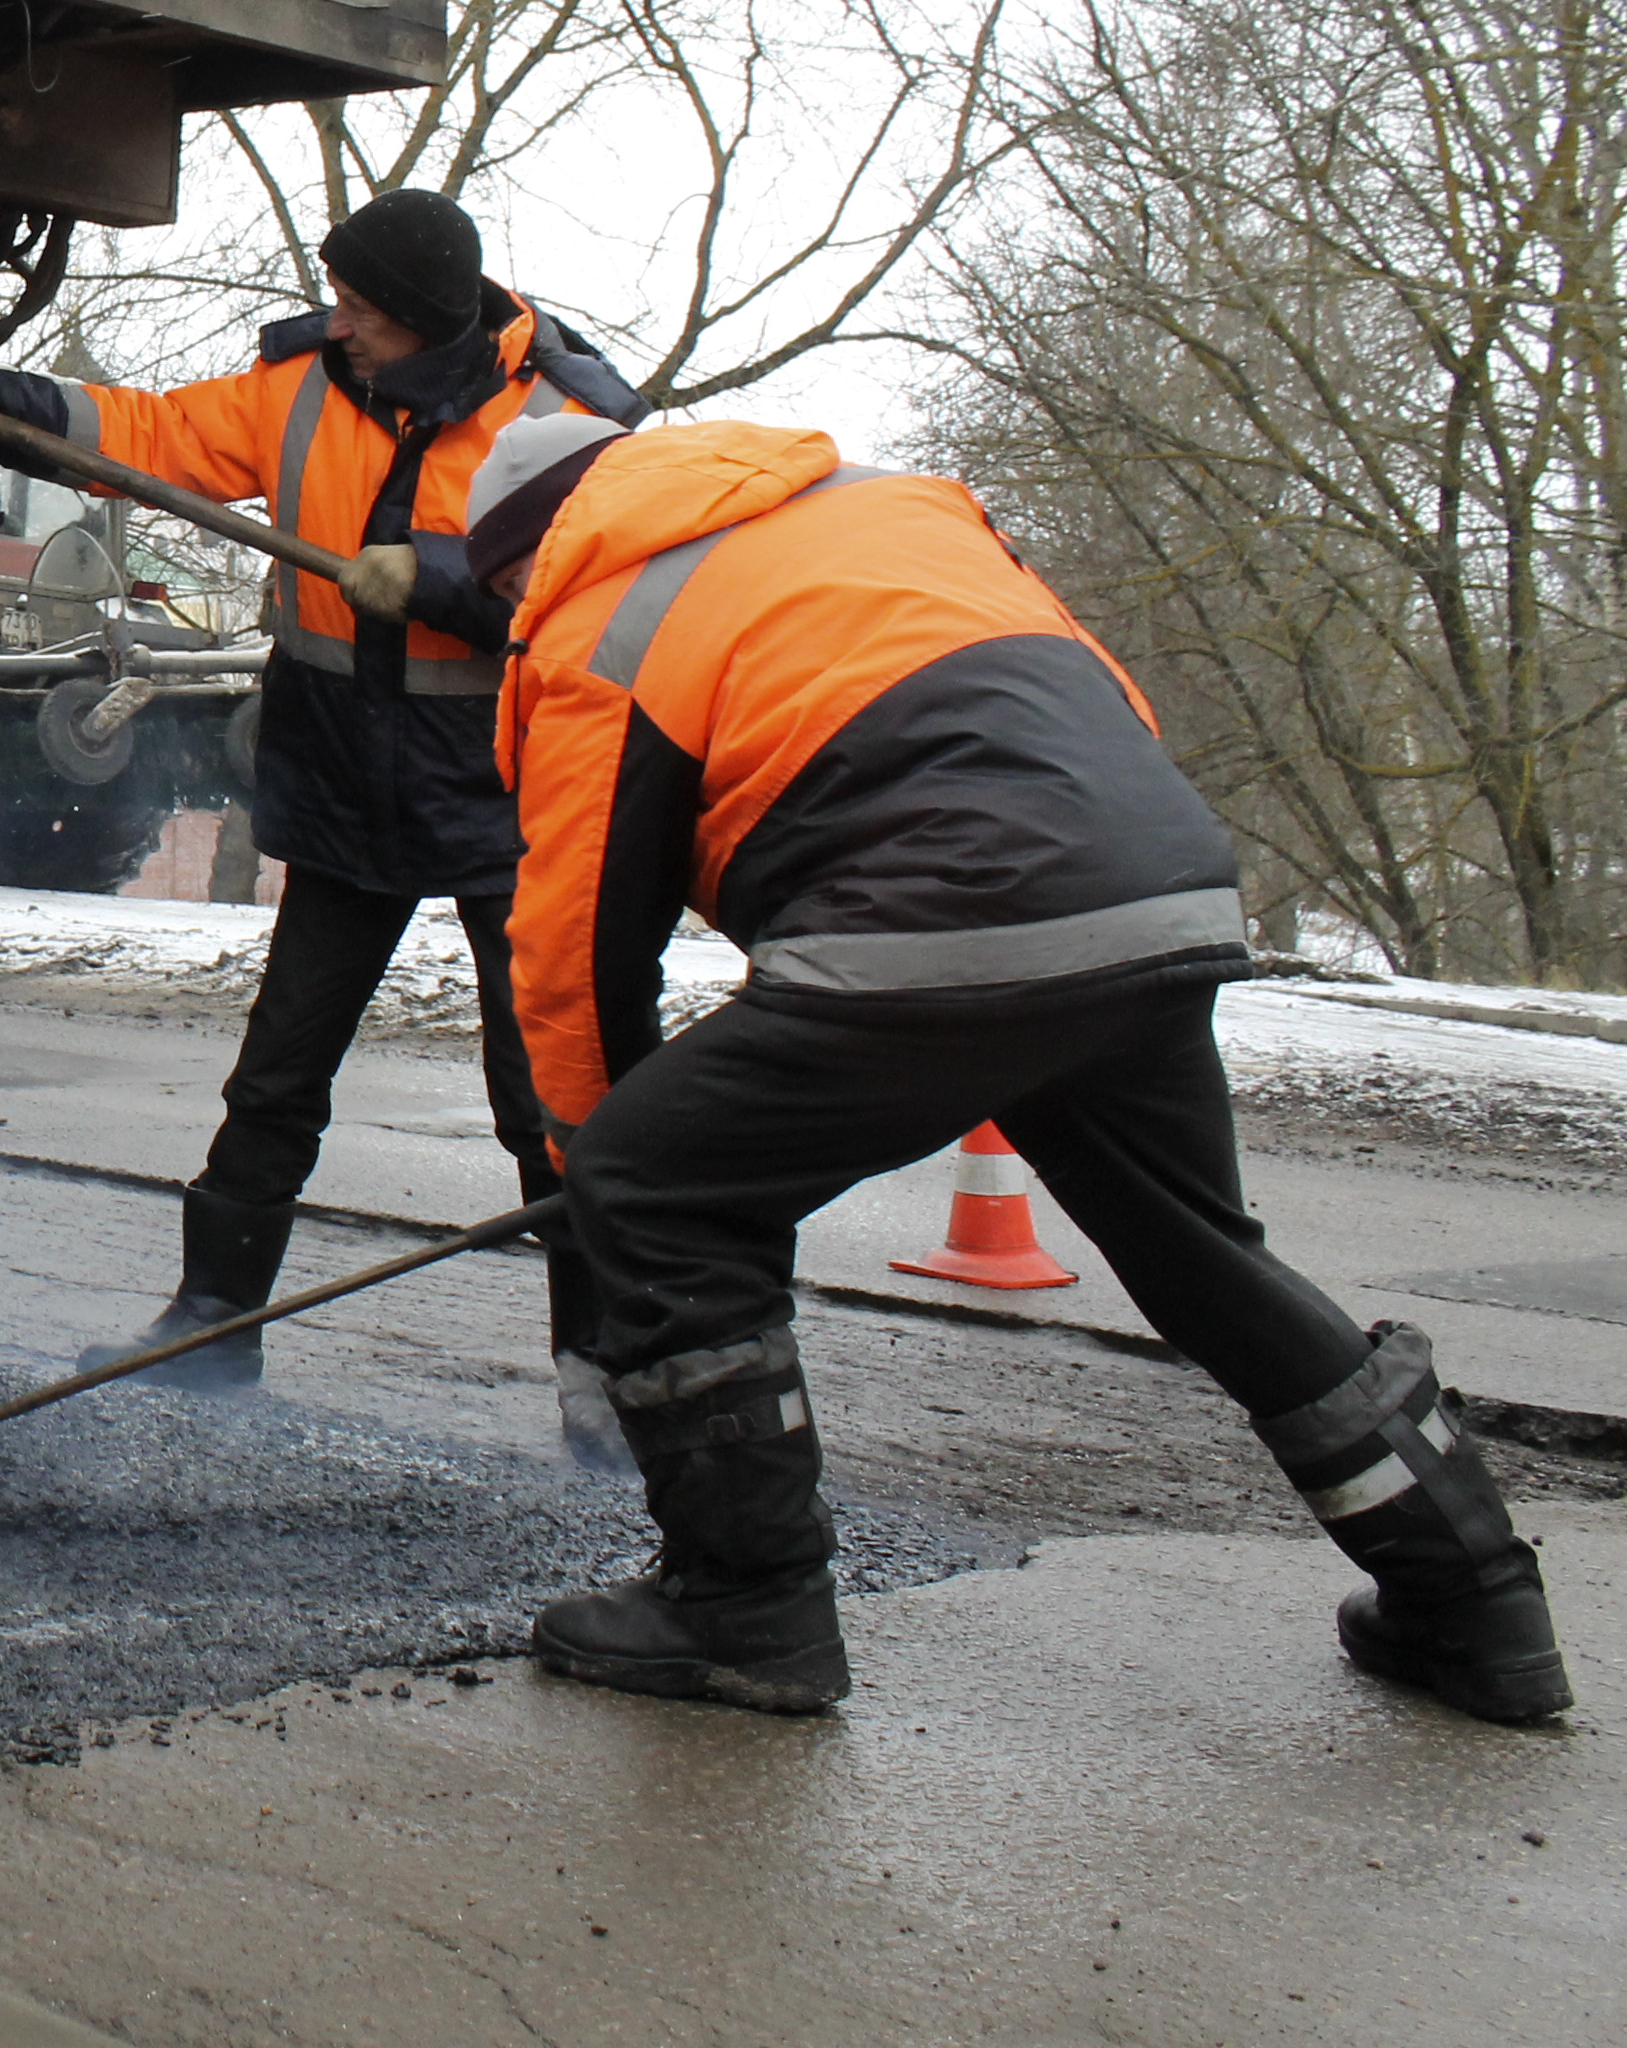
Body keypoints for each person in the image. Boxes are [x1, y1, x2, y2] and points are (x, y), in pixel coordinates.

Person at [467, 408, 1576, 1723]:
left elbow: (573, 945)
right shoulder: (882, 515)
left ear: (533, 554)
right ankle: (1479, 1607)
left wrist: (590, 1164)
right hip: (1153, 882)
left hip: (947, 906)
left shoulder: (604, 616)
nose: (507, 624)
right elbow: (1105, 693)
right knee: (1198, 1250)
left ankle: (742, 1605)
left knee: (662, 1183)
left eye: (499, 597)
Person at [0, 189, 644, 1446]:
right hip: (340, 788)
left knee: (544, 1094)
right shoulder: (305, 385)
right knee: (275, 1077)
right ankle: (212, 1325)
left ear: (428, 322)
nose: (343, 323)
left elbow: (589, 583)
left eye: (365, 309)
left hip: (501, 796)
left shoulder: (567, 419)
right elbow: (147, 431)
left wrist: (438, 577)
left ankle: (604, 1369)